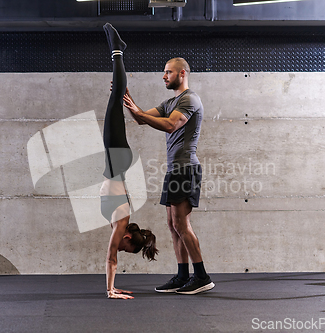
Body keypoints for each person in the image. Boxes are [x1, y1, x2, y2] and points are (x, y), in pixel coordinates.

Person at [123, 57, 215, 295]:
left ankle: (202, 276)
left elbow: (170, 125)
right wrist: (127, 98)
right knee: (173, 225)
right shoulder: (170, 101)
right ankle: (183, 275)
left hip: (186, 168)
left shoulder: (189, 99)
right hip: (175, 170)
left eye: (168, 72)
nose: (164, 76)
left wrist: (138, 112)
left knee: (182, 224)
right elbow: (141, 118)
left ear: (181, 73)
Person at [101, 23, 158, 300]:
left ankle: (118, 51)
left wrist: (114, 286)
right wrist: (110, 291)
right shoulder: (121, 224)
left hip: (116, 160)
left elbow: (115, 256)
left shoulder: (121, 224)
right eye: (126, 248)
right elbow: (111, 257)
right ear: (127, 239)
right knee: (115, 99)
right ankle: (116, 49)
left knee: (116, 99)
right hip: (116, 158)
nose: (121, 249)